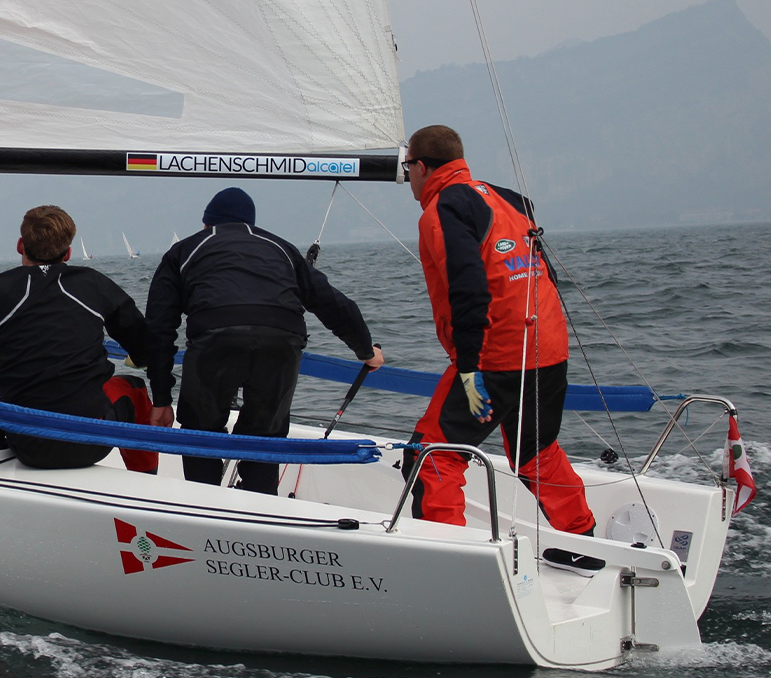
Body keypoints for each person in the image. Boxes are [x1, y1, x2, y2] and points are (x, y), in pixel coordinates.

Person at [401, 126, 599, 572]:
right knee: (536, 451)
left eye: (407, 167)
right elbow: (541, 272)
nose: (407, 177)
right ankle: (583, 543)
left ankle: (448, 563)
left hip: (496, 355)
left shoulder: (445, 207)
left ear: (421, 167)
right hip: (548, 346)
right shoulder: (504, 198)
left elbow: (468, 287)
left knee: (432, 456)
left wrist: (470, 366)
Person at [145, 187, 384, 493]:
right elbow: (332, 303)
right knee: (265, 435)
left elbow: (159, 329)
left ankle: (206, 502)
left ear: (207, 223)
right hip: (282, 338)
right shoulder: (280, 247)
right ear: (251, 223)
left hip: (216, 337)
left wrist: (161, 398)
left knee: (201, 431)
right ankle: (261, 504)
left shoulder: (184, 251)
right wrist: (366, 351)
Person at [0, 205, 158, 471]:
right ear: (68, 253)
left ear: (20, 245)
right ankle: (145, 480)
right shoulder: (94, 284)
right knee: (134, 386)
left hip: (26, 444)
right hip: (90, 442)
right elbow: (145, 348)